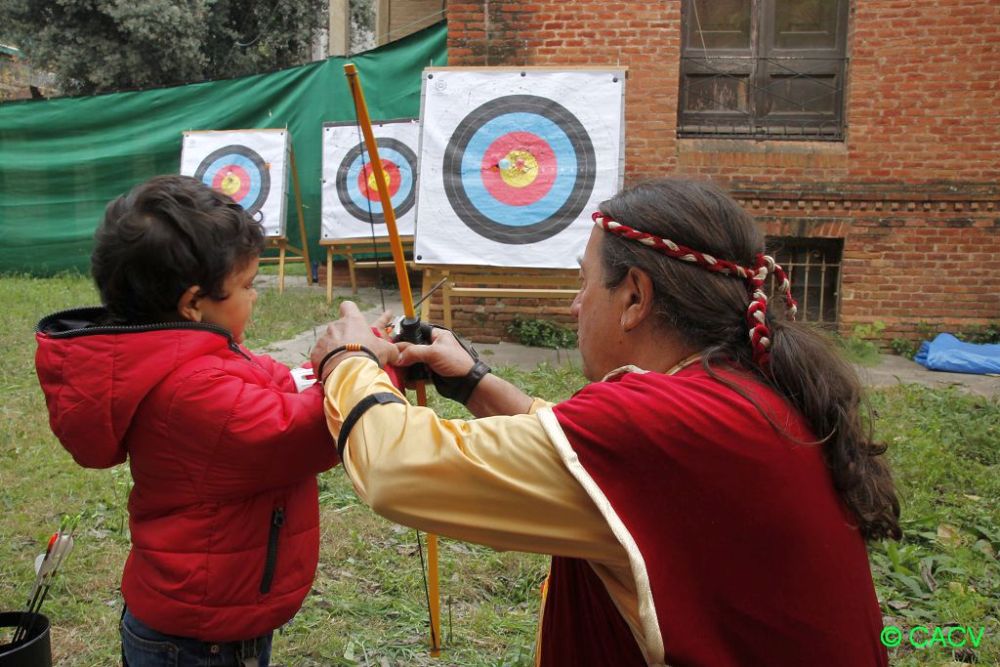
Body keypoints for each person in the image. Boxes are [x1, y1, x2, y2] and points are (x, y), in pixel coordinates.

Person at [310, 178, 899, 666]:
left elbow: (396, 467)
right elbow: (592, 458)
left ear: (636, 297)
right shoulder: (738, 388)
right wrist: (471, 381)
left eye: (584, 280)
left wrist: (348, 357)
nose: (575, 304)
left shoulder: (662, 420)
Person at [35, 175, 339, 667]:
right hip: (201, 639)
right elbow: (303, 430)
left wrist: (333, 365)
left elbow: (276, 380)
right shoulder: (191, 389)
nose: (255, 296)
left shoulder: (185, 356)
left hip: (201, 616)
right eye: (245, 285)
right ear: (193, 303)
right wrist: (364, 368)